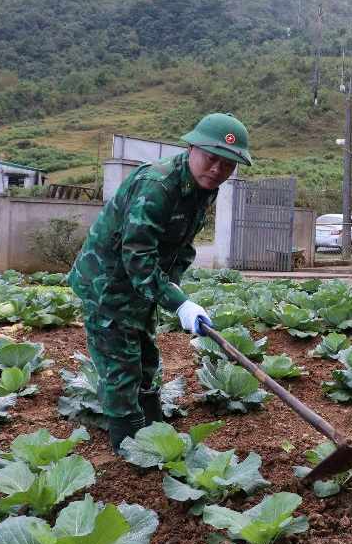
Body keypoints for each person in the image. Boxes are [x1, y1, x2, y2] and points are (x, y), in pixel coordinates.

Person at [68, 112, 252, 454]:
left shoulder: (201, 190)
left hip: (142, 287)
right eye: (212, 158)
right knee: (121, 364)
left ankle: (153, 428)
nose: (217, 169)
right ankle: (128, 447)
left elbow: (182, 248)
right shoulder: (157, 186)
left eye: (228, 165)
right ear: (192, 147)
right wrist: (177, 303)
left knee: (147, 357)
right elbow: (137, 256)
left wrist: (174, 289)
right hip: (107, 285)